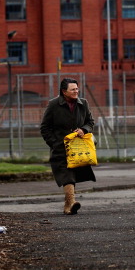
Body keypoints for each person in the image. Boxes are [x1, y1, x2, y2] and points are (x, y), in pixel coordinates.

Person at [40, 78, 96, 215]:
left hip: (78, 147)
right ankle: (71, 202)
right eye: (73, 89)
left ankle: (67, 205)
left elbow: (90, 122)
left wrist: (84, 129)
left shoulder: (83, 103)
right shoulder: (53, 105)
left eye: (77, 89)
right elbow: (45, 127)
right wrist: (54, 143)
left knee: (73, 173)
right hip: (60, 147)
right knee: (67, 174)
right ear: (64, 91)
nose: (76, 91)